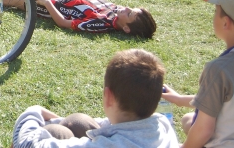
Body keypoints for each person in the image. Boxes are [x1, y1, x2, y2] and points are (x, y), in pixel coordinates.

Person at [161, 0, 234, 148]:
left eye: (216, 11)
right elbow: (232, 101)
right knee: (188, 120)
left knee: (192, 124)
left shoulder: (220, 69)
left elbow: (204, 130)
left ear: (226, 23)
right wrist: (180, 99)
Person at [12, 49, 179, 148]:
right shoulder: (162, 124)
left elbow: (27, 144)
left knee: (53, 132)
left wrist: (33, 112)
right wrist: (56, 119)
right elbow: (111, 126)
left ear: (109, 97)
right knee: (78, 121)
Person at [0, 0, 156, 38]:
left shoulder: (102, 24)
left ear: (126, 28)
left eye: (129, 14)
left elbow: (64, 23)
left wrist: (47, 3)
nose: (126, 8)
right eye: (131, 8)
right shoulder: (116, 12)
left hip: (51, 7)